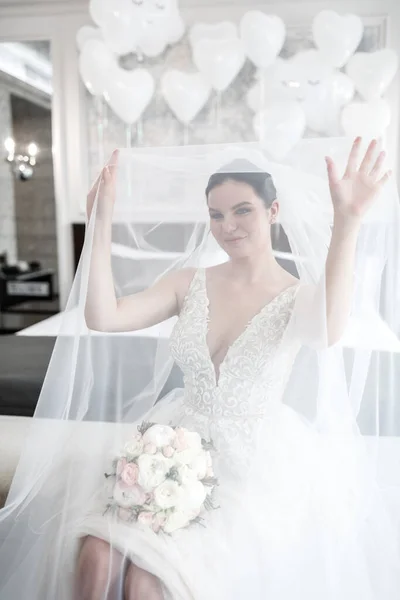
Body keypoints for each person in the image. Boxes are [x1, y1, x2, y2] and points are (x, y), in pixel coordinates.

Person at [69, 137, 400, 599]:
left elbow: (327, 330)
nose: (228, 226)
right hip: (175, 446)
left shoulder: (297, 297)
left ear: (273, 210)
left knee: (149, 581)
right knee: (96, 558)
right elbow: (102, 317)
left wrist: (348, 221)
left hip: (251, 465)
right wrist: (100, 220)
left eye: (243, 210)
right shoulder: (188, 283)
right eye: (216, 215)